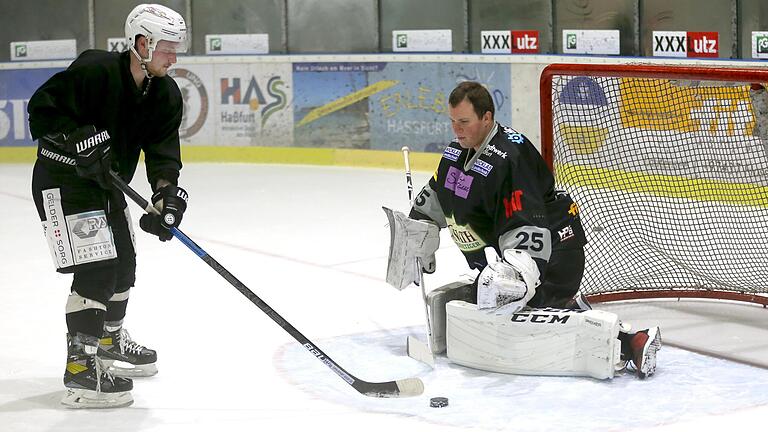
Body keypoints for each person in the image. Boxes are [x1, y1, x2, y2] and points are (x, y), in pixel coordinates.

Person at [404, 81, 661, 379]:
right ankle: (567, 307)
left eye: (464, 122)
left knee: (512, 314)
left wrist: (516, 276)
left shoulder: (511, 156)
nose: (456, 129)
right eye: (452, 121)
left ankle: (629, 341)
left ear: (486, 118)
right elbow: (435, 198)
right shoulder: (455, 154)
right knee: (484, 301)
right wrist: (417, 233)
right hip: (517, 253)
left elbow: (529, 225)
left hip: (554, 254)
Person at [29, 4, 189, 408]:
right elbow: (42, 110)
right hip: (64, 182)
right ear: (141, 43)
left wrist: (164, 193)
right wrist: (76, 138)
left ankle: (108, 341)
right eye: (167, 48)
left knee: (124, 263)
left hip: (105, 186)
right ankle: (81, 371)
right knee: (98, 268)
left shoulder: (165, 92)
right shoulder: (94, 70)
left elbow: (162, 150)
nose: (174, 57)